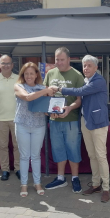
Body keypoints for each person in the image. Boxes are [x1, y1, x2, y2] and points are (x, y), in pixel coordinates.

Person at [50, 55, 110, 202]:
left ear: (96, 68)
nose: (86, 68)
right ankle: (96, 184)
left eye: (89, 65)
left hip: (98, 124)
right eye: (84, 66)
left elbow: (80, 92)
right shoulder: (86, 80)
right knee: (92, 156)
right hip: (86, 122)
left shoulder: (98, 81)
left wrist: (59, 89)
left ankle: (107, 188)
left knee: (101, 156)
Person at [43, 47, 85, 193]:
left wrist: (69, 108)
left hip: (71, 120)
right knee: (58, 149)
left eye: (62, 59)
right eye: (57, 59)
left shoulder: (77, 75)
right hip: (54, 121)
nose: (59, 62)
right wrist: (48, 112)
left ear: (68, 59)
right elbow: (45, 95)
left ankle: (75, 178)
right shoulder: (50, 73)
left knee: (73, 149)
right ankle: (60, 178)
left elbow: (80, 100)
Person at [14, 62, 54, 197]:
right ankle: (24, 184)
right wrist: (45, 91)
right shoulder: (19, 86)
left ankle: (37, 183)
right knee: (24, 156)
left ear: (36, 74)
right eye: (26, 74)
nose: (29, 76)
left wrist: (53, 111)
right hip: (22, 125)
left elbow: (46, 109)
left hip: (39, 125)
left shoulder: (43, 88)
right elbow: (27, 97)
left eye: (32, 73)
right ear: (23, 75)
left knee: (36, 156)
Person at [0, 55, 20, 181]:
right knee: (3, 146)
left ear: (12, 65)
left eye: (8, 63)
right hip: (1, 118)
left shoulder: (19, 79)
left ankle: (18, 169)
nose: (6, 65)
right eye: (3, 63)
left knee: (17, 145)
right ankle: (5, 170)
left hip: (17, 118)